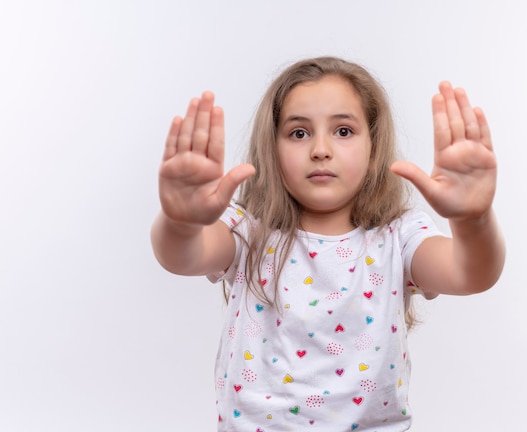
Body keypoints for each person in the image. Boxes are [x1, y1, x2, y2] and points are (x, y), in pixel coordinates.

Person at [151, 56, 505, 431]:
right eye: (299, 133)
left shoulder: (399, 236)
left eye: (343, 131)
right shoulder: (248, 232)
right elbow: (181, 255)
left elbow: (472, 273)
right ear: (273, 148)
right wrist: (181, 220)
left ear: (373, 147)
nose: (321, 149)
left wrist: (473, 220)